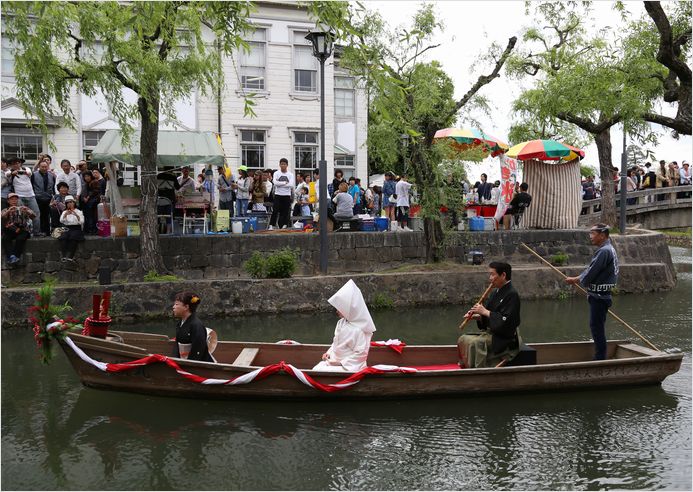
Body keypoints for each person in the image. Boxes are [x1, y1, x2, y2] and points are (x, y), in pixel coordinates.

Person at [564, 224, 619, 361]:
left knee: (596, 327)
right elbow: (591, 269)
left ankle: (600, 358)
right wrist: (578, 279)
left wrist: (576, 280)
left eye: (593, 233)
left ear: (602, 235)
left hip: (600, 296)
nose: (590, 236)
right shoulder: (608, 249)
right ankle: (600, 354)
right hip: (602, 295)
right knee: (597, 326)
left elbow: (591, 272)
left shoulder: (604, 251)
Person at [457, 261, 522, 368]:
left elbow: (506, 321)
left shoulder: (512, 294)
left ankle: (478, 369)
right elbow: (488, 315)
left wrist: (484, 312)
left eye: (492, 274)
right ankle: (466, 365)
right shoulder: (495, 292)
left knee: (475, 344)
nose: (490, 278)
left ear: (503, 275)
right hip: (492, 333)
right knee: (463, 339)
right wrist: (478, 317)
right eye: (489, 274)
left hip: (504, 337)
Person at [312, 279, 376, 372]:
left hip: (350, 366)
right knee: (316, 369)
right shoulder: (341, 323)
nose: (337, 311)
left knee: (319, 371)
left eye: (340, 308)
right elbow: (336, 343)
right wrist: (329, 353)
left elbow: (361, 354)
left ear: (348, 309)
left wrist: (341, 363)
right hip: (334, 361)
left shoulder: (358, 329)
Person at [172, 291, 214, 362]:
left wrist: (188, 366)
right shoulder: (180, 324)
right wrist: (175, 361)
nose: (173, 307)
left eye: (176, 304)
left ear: (186, 307)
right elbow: (177, 346)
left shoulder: (196, 325)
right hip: (184, 361)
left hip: (198, 365)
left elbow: (198, 351)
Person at [6, 157, 41, 234]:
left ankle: (36, 232)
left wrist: (20, 172)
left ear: (20, 163)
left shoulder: (26, 168)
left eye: (17, 163)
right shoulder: (10, 171)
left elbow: (29, 173)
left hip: (31, 195)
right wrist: (12, 173)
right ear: (11, 165)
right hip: (19, 197)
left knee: (36, 213)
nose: (16, 164)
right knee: (20, 215)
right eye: (14, 163)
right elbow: (7, 174)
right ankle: (22, 232)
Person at [1, 192, 36, 265]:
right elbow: (2, 217)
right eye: (12, 199)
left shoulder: (23, 208)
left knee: (20, 238)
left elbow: (34, 216)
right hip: (11, 229)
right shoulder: (6, 209)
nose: (14, 201)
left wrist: (27, 212)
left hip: (23, 229)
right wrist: (8, 212)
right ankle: (11, 256)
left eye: (15, 199)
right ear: (8, 201)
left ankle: (15, 256)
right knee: (5, 238)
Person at [32, 158, 56, 236]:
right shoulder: (34, 175)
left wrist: (53, 197)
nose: (44, 168)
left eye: (46, 166)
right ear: (39, 166)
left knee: (47, 215)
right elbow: (31, 186)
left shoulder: (51, 175)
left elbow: (53, 187)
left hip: (48, 198)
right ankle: (40, 231)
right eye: (42, 167)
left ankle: (47, 232)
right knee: (39, 215)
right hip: (38, 198)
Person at [57, 195, 84, 262]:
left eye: (71, 202)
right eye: (68, 203)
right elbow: (61, 221)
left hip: (76, 228)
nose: (70, 204)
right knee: (63, 237)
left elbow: (82, 222)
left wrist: (76, 215)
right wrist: (66, 215)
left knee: (73, 237)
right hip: (67, 227)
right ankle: (64, 256)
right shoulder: (64, 212)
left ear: (74, 203)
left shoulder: (79, 211)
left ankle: (70, 256)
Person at [270, 158, 295, 229]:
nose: (283, 165)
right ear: (279, 165)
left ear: (287, 165)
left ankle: (284, 225)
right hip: (278, 194)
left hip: (287, 195)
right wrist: (284, 183)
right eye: (281, 164)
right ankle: (271, 225)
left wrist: (279, 184)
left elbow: (291, 185)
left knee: (285, 211)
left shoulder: (290, 174)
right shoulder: (276, 173)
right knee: (275, 210)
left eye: (284, 164)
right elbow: (275, 183)